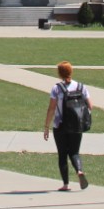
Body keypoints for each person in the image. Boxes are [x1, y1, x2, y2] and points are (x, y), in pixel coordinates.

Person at [43, 61, 91, 191]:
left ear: (59, 73)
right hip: (77, 126)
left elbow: (51, 109)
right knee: (74, 152)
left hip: (60, 125)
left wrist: (46, 126)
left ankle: (65, 184)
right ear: (71, 72)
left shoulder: (57, 88)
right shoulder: (81, 87)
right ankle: (79, 171)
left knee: (62, 154)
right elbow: (90, 106)